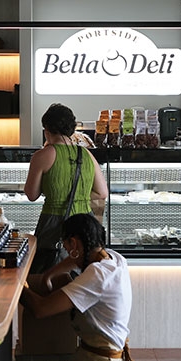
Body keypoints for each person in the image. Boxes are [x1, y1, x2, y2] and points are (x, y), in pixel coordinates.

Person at [15, 213, 135, 361]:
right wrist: (48, 275)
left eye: (66, 245)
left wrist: (17, 280)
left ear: (75, 243)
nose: (66, 251)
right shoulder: (113, 259)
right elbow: (76, 261)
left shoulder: (97, 276)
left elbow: (41, 309)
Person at [24, 103, 108, 274]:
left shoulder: (42, 156)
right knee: (82, 270)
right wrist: (80, 196)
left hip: (53, 223)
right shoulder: (86, 154)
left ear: (46, 129)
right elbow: (102, 193)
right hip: (85, 223)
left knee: (49, 270)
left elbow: (32, 195)